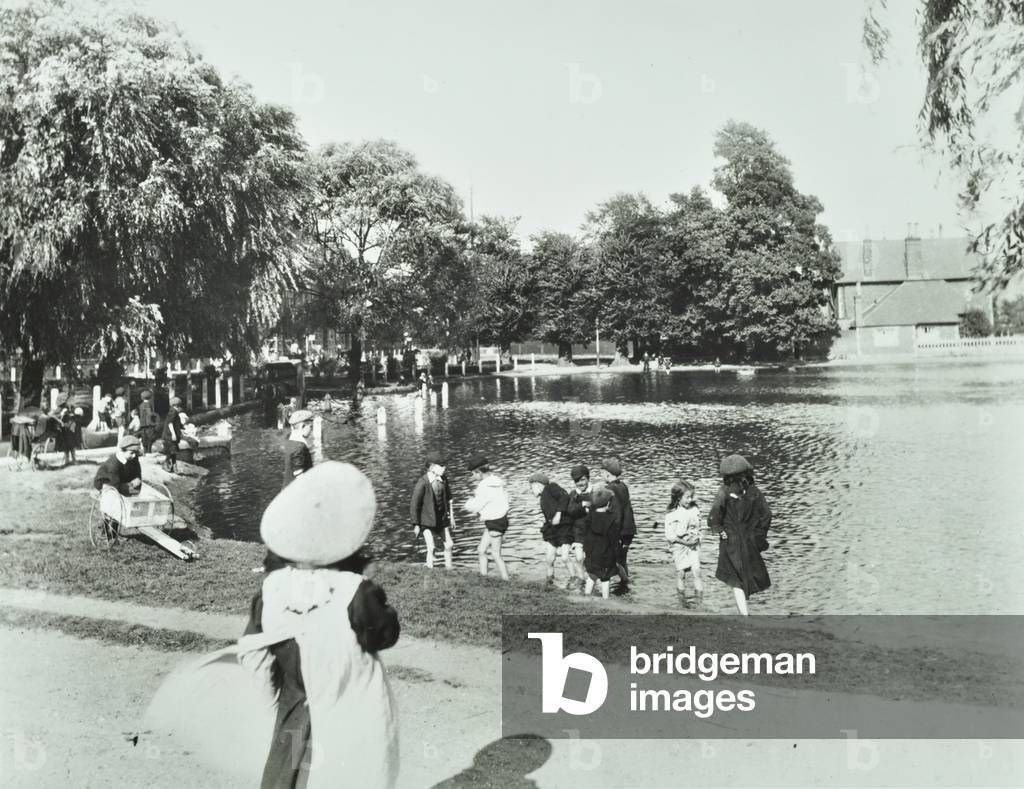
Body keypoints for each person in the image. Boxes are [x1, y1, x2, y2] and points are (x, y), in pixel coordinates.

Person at [244, 462, 400, 788]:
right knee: (350, 766)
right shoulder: (354, 591)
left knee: (289, 764)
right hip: (347, 691)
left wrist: (268, 690)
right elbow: (383, 636)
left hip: (294, 694)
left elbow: (253, 645)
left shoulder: (272, 588)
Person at [707, 454, 772, 616]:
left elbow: (714, 516)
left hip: (730, 542)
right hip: (749, 541)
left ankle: (744, 615)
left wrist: (719, 530)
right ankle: (746, 613)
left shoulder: (723, 491)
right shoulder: (754, 491)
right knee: (747, 575)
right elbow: (767, 515)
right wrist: (759, 535)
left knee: (736, 579)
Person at [464, 452, 510, 580]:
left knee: (496, 554)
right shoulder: (497, 482)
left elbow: (475, 506)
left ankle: (507, 581)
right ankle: (484, 577)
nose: (473, 476)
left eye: (473, 473)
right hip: (498, 520)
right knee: (481, 550)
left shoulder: (484, 486)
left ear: (479, 472)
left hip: (494, 522)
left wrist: (469, 501)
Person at [529, 472, 575, 589]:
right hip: (553, 529)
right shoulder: (542, 497)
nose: (531, 490)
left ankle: (575, 579)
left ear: (538, 484)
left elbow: (564, 496)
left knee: (565, 557)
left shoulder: (551, 487)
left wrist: (559, 514)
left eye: (532, 486)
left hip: (564, 527)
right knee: (549, 558)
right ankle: (550, 580)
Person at [409, 450, 454, 569]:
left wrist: (452, 516)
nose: (444, 468)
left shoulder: (443, 479)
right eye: (442, 466)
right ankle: (430, 569)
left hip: (441, 520)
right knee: (431, 547)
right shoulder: (423, 482)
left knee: (449, 544)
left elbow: (449, 498)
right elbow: (414, 504)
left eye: (445, 465)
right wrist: (416, 524)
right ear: (432, 467)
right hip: (426, 522)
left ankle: (449, 569)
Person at [664, 480, 703, 605]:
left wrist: (697, 537)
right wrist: (686, 543)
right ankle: (681, 602)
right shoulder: (671, 514)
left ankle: (699, 602)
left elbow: (698, 526)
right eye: (687, 497)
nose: (690, 500)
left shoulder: (694, 509)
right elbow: (671, 537)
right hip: (679, 546)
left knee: (697, 571)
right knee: (681, 573)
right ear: (678, 497)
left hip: (693, 545)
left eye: (691, 497)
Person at [601, 456, 636, 583]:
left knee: (616, 560)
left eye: (602, 472)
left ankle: (626, 582)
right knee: (622, 558)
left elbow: (615, 512)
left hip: (619, 530)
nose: (601, 475)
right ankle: (625, 583)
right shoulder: (623, 486)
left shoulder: (609, 489)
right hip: (629, 529)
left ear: (607, 473)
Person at [583, 488, 620, 599]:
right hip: (606, 553)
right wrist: (616, 553)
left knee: (592, 576)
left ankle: (586, 596)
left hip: (592, 553)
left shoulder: (589, 517)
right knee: (605, 579)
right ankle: (605, 599)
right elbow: (614, 539)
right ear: (608, 503)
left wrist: (587, 551)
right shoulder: (612, 519)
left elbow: (586, 536)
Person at [564, 464, 593, 593]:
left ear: (588, 479)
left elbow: (597, 508)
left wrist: (589, 508)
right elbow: (570, 510)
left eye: (582, 480)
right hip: (578, 530)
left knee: (591, 557)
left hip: (592, 530)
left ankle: (591, 579)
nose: (580, 483)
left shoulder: (594, 492)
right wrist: (582, 505)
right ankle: (581, 578)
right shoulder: (573, 494)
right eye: (577, 481)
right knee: (579, 557)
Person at [282, 409, 314, 488]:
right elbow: (299, 476)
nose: (311, 430)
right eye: (310, 426)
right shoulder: (299, 447)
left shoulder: (288, 443)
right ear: (303, 426)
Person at [161, 396, 184, 473]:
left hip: (171, 436)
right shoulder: (173, 412)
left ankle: (173, 466)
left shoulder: (175, 412)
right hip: (169, 436)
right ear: (175, 405)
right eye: (178, 406)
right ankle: (166, 463)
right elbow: (170, 423)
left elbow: (177, 424)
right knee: (171, 451)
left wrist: (182, 428)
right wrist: (173, 434)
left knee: (174, 452)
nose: (179, 408)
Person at [136, 389, 159, 454]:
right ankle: (148, 451)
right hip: (149, 425)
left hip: (143, 424)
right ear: (150, 397)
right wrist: (153, 423)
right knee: (150, 438)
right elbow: (149, 414)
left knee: (144, 438)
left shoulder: (141, 405)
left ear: (142, 397)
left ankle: (145, 451)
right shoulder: (149, 405)